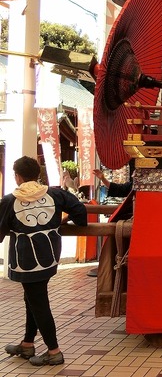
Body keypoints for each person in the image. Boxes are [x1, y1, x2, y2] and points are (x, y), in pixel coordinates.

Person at [1, 156, 88, 366]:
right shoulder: (55, 194)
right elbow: (81, 212)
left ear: (17, 176)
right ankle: (27, 344)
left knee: (38, 303)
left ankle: (54, 351)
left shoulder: (10, 200)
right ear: (37, 175)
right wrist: (64, 221)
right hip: (49, 257)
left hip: (25, 260)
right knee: (32, 299)